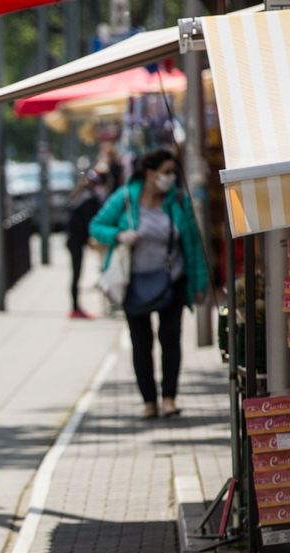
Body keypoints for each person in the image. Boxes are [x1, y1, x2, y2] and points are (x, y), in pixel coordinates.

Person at [90, 148, 209, 420]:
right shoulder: (126, 199)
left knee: (171, 339)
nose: (170, 178)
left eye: (172, 173)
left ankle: (169, 398)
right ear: (149, 173)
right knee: (141, 343)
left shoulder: (178, 200)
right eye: (165, 172)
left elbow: (192, 243)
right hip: (134, 283)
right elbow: (96, 226)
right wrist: (119, 235)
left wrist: (200, 283)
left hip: (172, 280)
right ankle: (149, 402)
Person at [64, 169, 107, 320]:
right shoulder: (90, 199)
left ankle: (76, 307)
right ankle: (75, 308)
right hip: (76, 241)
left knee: (76, 274)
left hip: (74, 240)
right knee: (76, 274)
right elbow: (91, 223)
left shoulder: (81, 196)